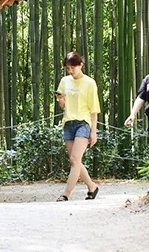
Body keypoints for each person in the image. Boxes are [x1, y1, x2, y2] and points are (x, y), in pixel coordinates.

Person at [54, 51, 100, 201]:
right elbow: (62, 105)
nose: (71, 71)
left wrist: (93, 131)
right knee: (75, 161)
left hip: (83, 123)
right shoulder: (64, 81)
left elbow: (94, 110)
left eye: (73, 67)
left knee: (74, 159)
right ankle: (92, 187)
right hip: (68, 123)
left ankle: (66, 194)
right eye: (68, 68)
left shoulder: (90, 83)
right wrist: (61, 99)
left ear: (81, 65)